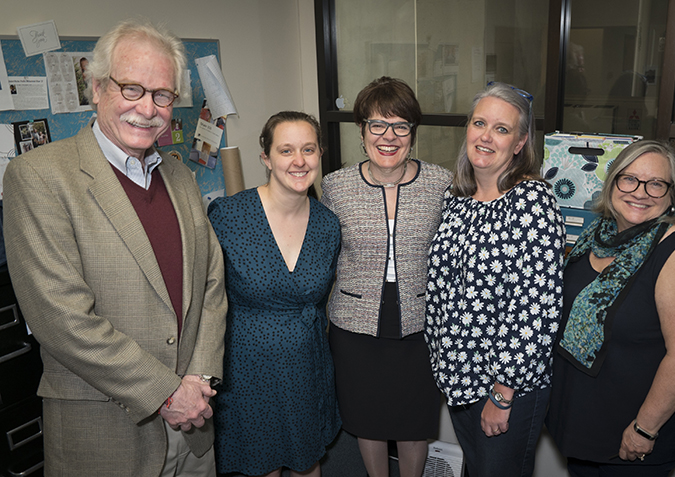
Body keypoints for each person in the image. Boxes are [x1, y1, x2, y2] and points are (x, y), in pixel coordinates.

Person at [3, 19, 227, 477]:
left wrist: (199, 378)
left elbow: (211, 282)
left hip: (193, 430)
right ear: (98, 87)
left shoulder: (179, 175)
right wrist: (167, 393)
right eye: (132, 89)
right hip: (105, 433)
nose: (148, 108)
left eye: (162, 94)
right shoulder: (39, 176)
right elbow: (61, 318)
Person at [546, 140, 675, 476]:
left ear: (671, 195)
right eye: (630, 179)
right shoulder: (598, 233)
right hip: (584, 428)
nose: (641, 192)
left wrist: (644, 429)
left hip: (634, 439)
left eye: (656, 183)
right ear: (613, 183)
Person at [425, 81, 566, 477]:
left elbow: (536, 309)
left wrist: (503, 394)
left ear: (520, 143)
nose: (486, 136)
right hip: (459, 378)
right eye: (479, 123)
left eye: (501, 129)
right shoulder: (457, 199)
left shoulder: (532, 203)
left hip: (506, 386)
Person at [321, 76, 452, 477]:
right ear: (362, 132)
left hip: (420, 327)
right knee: (368, 421)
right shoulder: (335, 186)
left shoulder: (441, 183)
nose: (388, 136)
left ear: (413, 133)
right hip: (355, 329)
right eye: (377, 125)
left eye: (400, 126)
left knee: (415, 424)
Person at [208, 111, 341, 477]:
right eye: (286, 150)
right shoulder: (229, 217)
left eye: (308, 149)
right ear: (266, 158)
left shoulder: (327, 225)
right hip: (247, 369)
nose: (299, 161)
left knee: (306, 461)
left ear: (319, 154)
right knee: (261, 465)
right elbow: (206, 298)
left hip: (305, 365)